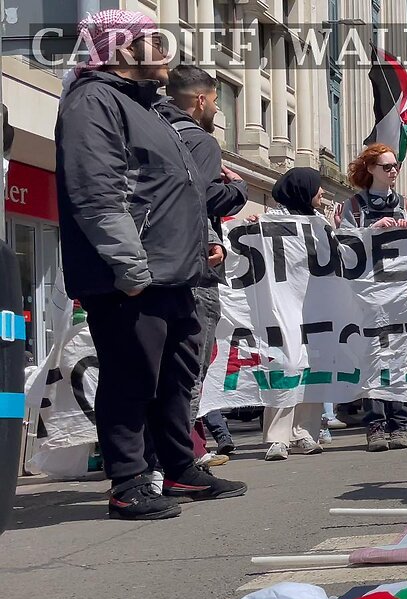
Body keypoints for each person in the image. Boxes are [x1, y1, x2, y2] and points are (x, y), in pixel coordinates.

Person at [56, 10, 245, 520]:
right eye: (153, 40)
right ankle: (129, 483)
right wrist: (130, 268)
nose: (165, 49)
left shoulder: (150, 108)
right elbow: (96, 194)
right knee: (131, 376)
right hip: (135, 276)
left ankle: (179, 467)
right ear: (122, 49)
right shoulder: (93, 101)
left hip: (177, 271)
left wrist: (203, 242)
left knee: (176, 377)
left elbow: (178, 191)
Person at [159, 64, 249, 468]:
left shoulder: (149, 129)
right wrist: (237, 189)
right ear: (200, 100)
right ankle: (178, 462)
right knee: (189, 368)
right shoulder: (199, 141)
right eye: (215, 101)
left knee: (156, 371)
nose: (216, 110)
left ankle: (154, 460)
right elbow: (205, 201)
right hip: (193, 268)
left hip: (154, 268)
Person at [335, 143, 407, 452]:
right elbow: (341, 245)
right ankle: (375, 425)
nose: (393, 171)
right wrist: (371, 230)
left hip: (401, 293)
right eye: (386, 166)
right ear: (370, 169)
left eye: (395, 165)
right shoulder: (353, 207)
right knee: (372, 356)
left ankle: (400, 425)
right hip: (368, 295)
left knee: (401, 356)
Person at [242, 168, 331, 461]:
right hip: (282, 304)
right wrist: (252, 226)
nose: (322, 193)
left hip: (314, 305)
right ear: (303, 190)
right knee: (286, 364)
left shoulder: (320, 224)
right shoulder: (273, 222)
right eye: (317, 188)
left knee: (313, 367)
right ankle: (278, 437)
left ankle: (305, 431)